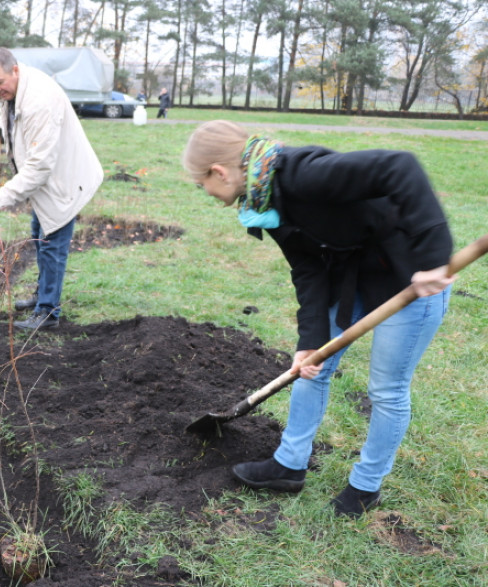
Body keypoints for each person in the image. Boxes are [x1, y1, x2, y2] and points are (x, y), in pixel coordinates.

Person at [182, 120, 455, 518]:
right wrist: (309, 340)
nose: (204, 192)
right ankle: (289, 464)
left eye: (199, 183)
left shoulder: (305, 173)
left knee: (387, 389)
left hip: (413, 278)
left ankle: (365, 487)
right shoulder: (262, 198)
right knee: (311, 366)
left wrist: (434, 257)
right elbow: (307, 268)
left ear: (219, 173)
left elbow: (401, 166)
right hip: (353, 278)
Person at [0, 47, 103, 330]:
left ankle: (47, 312)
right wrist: (0, 124)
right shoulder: (17, 85)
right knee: (39, 236)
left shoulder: (40, 101)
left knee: (51, 244)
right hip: (46, 181)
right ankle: (41, 297)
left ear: (15, 70)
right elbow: (10, 108)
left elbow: (39, 167)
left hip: (63, 181)